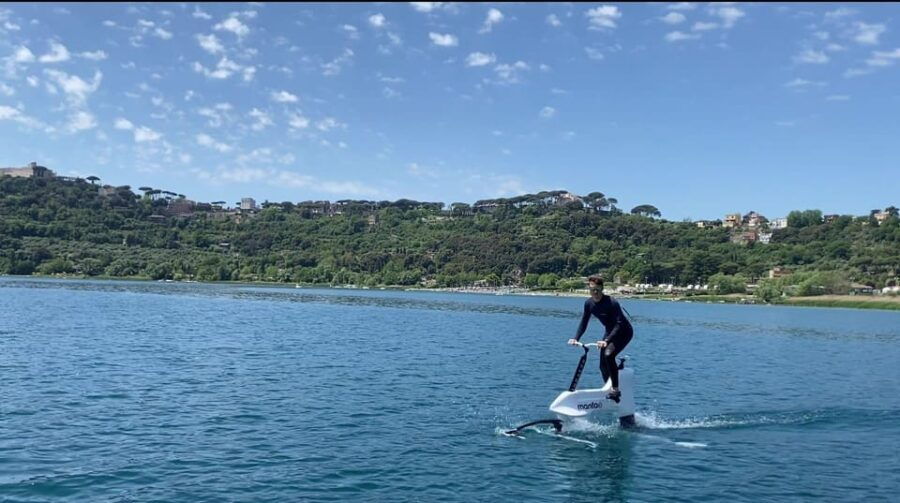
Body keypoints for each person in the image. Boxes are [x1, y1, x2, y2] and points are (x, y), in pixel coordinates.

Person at [567, 275, 633, 401]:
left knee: (609, 355)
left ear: (602, 289)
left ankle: (615, 390)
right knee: (603, 365)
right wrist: (576, 338)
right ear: (589, 289)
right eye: (592, 290)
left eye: (597, 290)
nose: (595, 293)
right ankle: (609, 388)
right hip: (609, 332)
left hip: (624, 332)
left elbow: (619, 324)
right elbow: (584, 322)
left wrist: (606, 340)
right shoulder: (588, 304)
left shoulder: (611, 302)